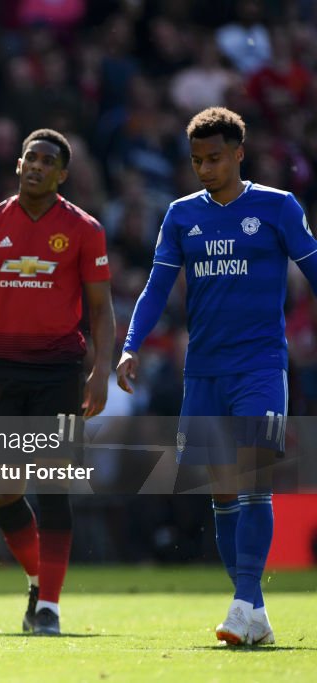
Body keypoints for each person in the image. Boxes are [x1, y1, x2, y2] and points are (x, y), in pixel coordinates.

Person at [116, 107, 317, 646]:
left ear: (238, 154)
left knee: (254, 481)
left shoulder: (277, 207)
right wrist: (131, 345)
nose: (205, 168)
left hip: (260, 367)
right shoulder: (182, 216)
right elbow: (156, 289)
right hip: (203, 371)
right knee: (223, 493)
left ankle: (242, 602)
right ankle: (254, 613)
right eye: (197, 160)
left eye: (215, 158)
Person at [0, 129, 115, 635]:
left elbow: (101, 309)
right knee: (3, 489)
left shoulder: (83, 229)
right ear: (19, 163)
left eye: (48, 161)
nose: (35, 166)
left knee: (52, 487)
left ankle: (49, 606)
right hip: (4, 370)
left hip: (61, 373)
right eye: (30, 157)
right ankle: (36, 578)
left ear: (62, 175)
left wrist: (99, 371)